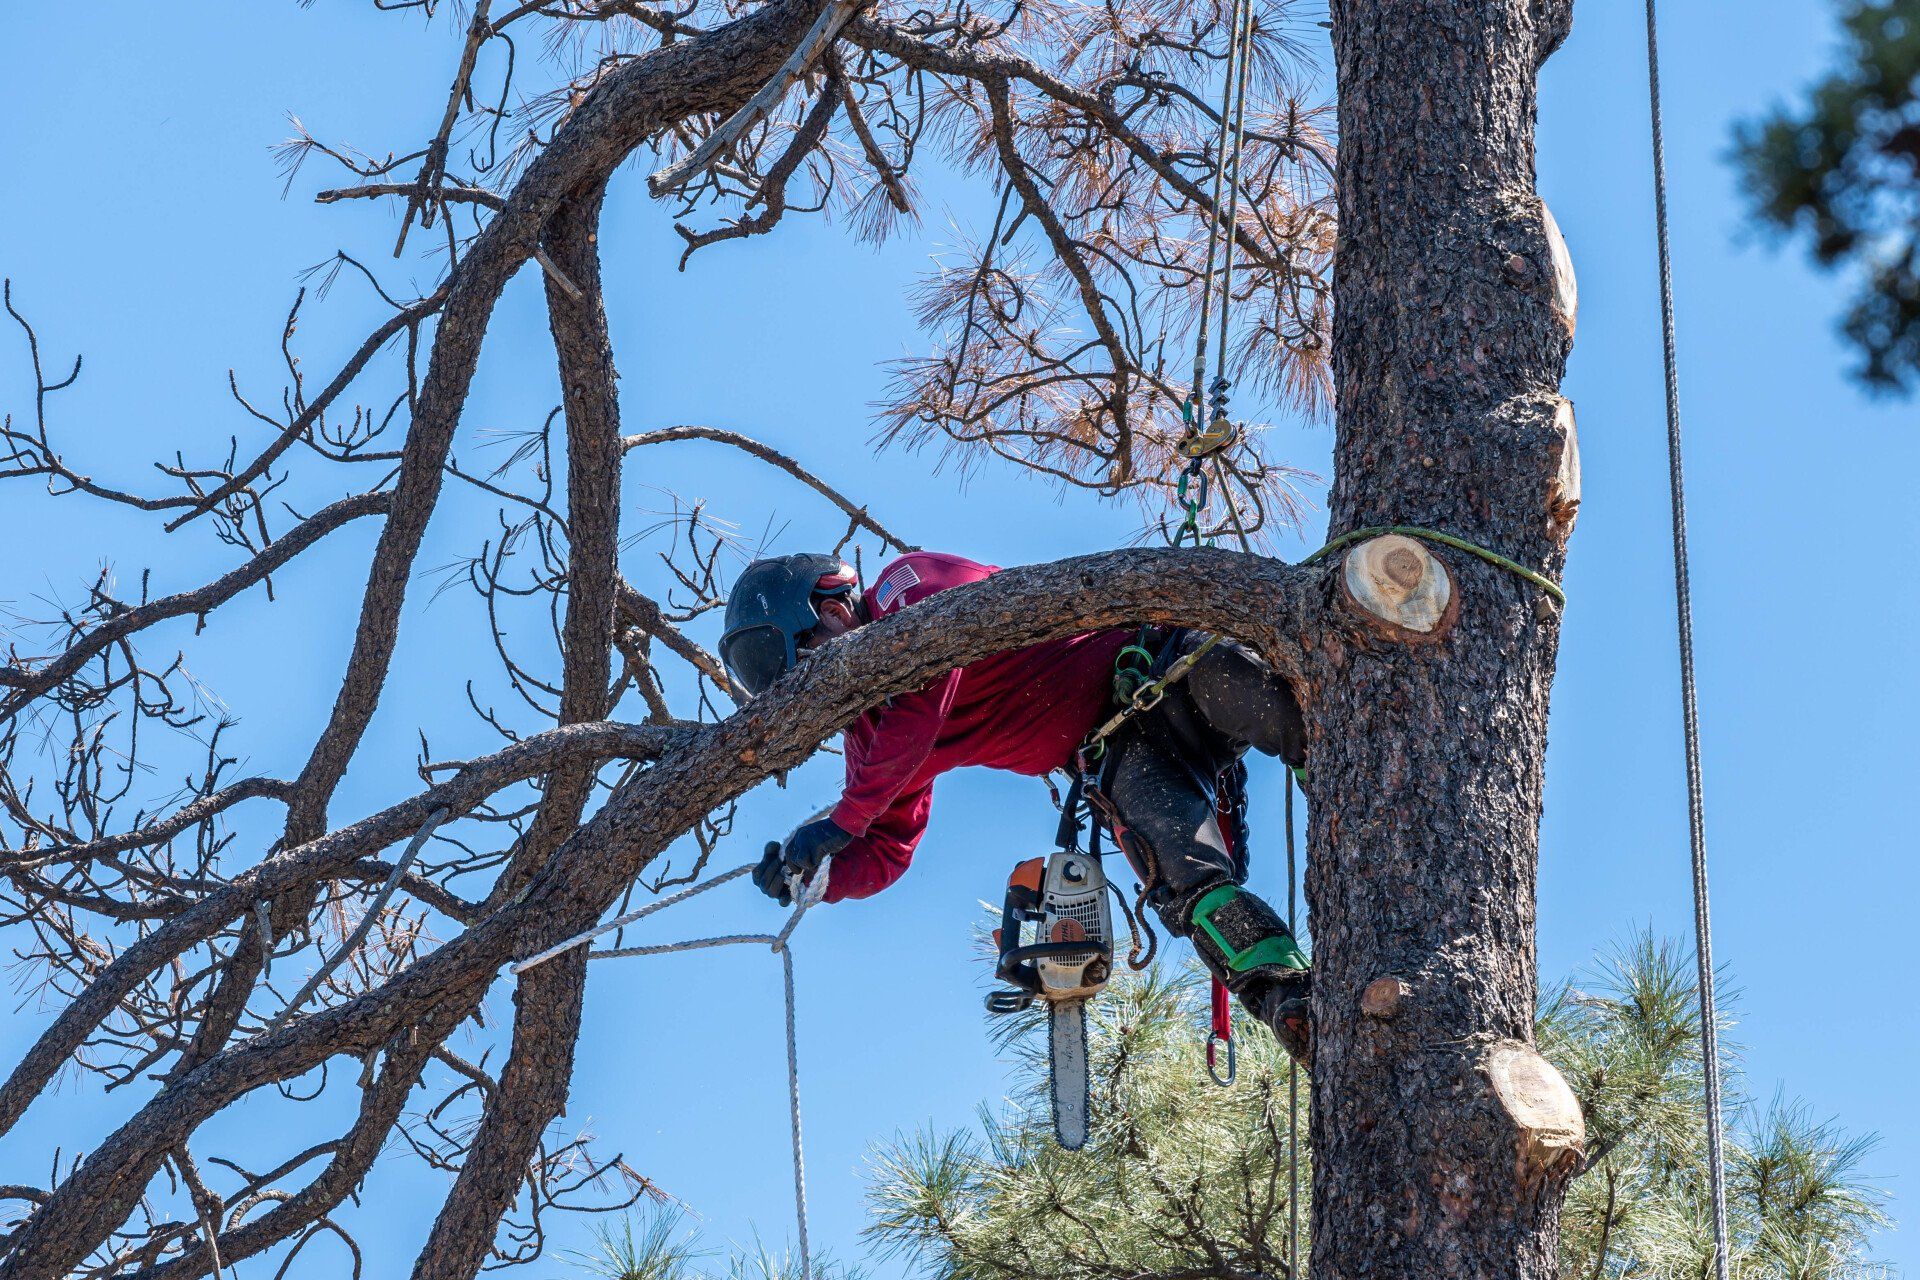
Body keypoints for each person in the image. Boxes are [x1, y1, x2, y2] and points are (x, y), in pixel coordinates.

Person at [718, 550, 1313, 1062]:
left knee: (1302, 724)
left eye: (814, 659)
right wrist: (818, 877)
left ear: (833, 609)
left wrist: (841, 821)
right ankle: (1290, 999)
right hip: (1122, 751)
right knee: (1187, 883)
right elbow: (886, 851)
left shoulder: (907, 587)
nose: (823, 694)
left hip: (1168, 662)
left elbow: (923, 694)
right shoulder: (872, 739)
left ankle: (1357, 765)